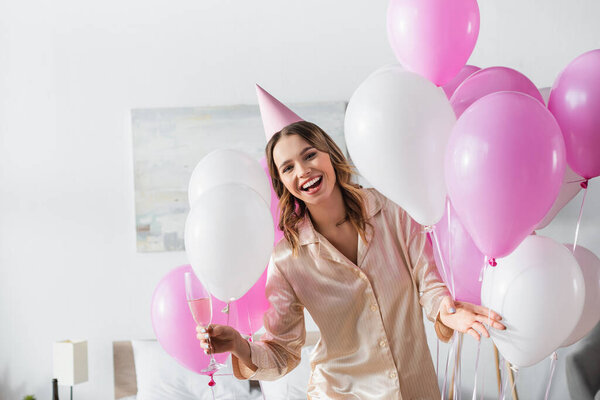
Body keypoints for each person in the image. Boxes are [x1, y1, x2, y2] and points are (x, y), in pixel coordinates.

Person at [197, 121, 505, 399]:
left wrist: (446, 311)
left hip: (415, 389)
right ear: (282, 183)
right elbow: (282, 353)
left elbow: (428, 282)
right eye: (287, 168)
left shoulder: (392, 211)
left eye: (309, 155)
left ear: (330, 154)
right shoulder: (287, 260)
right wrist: (239, 345)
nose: (303, 170)